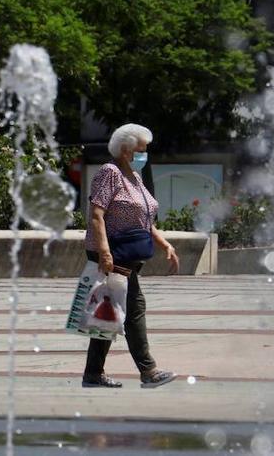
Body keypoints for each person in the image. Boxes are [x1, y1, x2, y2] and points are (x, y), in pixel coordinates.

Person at [81, 123, 179, 389]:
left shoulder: (134, 177)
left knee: (108, 311)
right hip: (114, 253)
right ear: (125, 149)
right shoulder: (109, 173)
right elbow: (97, 215)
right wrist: (104, 253)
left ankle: (93, 374)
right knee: (134, 308)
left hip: (125, 253)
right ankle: (148, 371)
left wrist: (164, 244)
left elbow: (144, 220)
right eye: (140, 150)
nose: (143, 155)